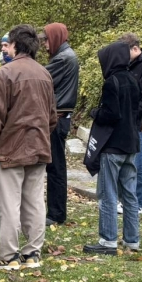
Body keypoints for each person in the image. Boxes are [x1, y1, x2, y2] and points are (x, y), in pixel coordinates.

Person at [0, 25, 57, 270]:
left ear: (15, 45)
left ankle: (9, 255)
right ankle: (33, 252)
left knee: (7, 203)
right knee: (35, 201)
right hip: (38, 147)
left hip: (9, 148)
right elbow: (52, 116)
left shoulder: (4, 74)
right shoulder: (45, 74)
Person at [82, 42, 141, 255]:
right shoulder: (133, 79)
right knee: (129, 195)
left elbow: (111, 114)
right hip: (131, 144)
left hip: (112, 146)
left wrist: (95, 113)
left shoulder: (111, 82)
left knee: (108, 193)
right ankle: (132, 239)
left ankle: (108, 240)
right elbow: (137, 111)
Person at [42, 23, 79, 226]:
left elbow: (38, 77)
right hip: (58, 117)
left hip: (57, 118)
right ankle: (55, 212)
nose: (45, 45)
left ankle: (56, 214)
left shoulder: (64, 58)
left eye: (46, 40)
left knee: (55, 167)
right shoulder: (64, 56)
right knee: (54, 166)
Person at [118, 32, 142, 215]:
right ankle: (130, 199)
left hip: (139, 120)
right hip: (132, 118)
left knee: (140, 162)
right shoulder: (135, 62)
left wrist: (135, 116)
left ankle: (140, 202)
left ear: (135, 48)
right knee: (133, 160)